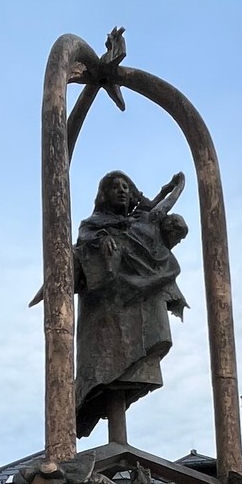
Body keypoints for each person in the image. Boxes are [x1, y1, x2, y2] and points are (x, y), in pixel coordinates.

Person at [74, 170, 188, 441]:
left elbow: (164, 207)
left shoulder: (142, 221)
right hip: (106, 314)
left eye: (126, 187)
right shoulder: (92, 225)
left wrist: (175, 187)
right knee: (107, 371)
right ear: (104, 194)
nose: (122, 191)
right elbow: (82, 247)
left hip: (139, 306)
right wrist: (102, 241)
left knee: (133, 366)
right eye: (116, 187)